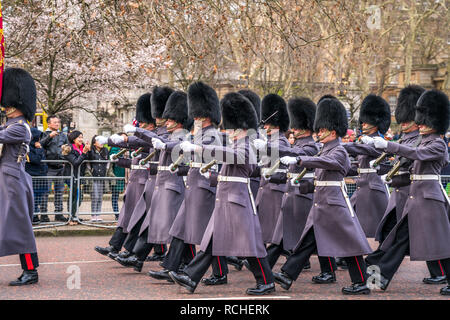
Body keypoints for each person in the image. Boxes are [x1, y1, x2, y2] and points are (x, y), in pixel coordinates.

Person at [169, 92, 276, 296]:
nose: (229, 131)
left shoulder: (247, 146)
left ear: (242, 127)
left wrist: (200, 148)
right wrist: (210, 176)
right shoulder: (236, 144)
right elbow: (227, 172)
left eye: (232, 127)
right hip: (226, 199)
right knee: (211, 240)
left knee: (250, 245)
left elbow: (236, 157)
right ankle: (191, 278)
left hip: (238, 201)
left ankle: (267, 281)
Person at [274, 97, 373, 295]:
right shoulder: (327, 149)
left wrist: (299, 158)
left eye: (321, 130)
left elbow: (324, 162)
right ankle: (287, 274)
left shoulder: (338, 151)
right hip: (322, 203)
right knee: (307, 240)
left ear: (333, 131)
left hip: (335, 205)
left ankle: (361, 282)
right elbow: (321, 176)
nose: (318, 133)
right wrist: (303, 185)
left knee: (350, 244)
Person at [363, 89, 450, 296]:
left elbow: (415, 153)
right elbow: (410, 167)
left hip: (430, 200)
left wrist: (388, 145)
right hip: (416, 199)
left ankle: (376, 276)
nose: (420, 124)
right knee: (399, 240)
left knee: (442, 243)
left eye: (424, 121)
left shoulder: (437, 144)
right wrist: (388, 174)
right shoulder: (423, 140)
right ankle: (378, 279)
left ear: (434, 123)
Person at [148, 82, 229, 285]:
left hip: (204, 187)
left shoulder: (213, 134)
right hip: (193, 185)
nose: (194, 118)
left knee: (208, 233)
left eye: (197, 114)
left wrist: (171, 145)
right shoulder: (200, 133)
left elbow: (211, 154)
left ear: (206, 115)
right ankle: (171, 267)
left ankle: (219, 273)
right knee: (180, 228)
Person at [116, 90, 193, 272]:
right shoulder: (168, 135)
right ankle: (174, 263)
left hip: (175, 186)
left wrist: (137, 131)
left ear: (178, 120)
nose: (166, 122)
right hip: (162, 184)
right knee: (166, 225)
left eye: (170, 119)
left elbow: (160, 142)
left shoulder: (182, 137)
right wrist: (121, 141)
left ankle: (179, 264)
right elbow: (153, 141)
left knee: (179, 227)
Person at [0, 67, 40, 286]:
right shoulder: (11, 124)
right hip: (7, 178)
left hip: (13, 179)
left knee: (20, 227)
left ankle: (31, 271)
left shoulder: (19, 128)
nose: (6, 108)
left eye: (9, 105)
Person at [343, 94, 391, 238]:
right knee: (350, 222)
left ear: (375, 123)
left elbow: (364, 150)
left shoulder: (379, 141)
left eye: (366, 122)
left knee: (372, 229)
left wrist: (339, 145)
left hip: (373, 187)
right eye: (362, 122)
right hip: (361, 186)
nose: (363, 124)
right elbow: (358, 166)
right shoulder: (363, 140)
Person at [253, 94, 290, 247]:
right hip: (265, 188)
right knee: (262, 228)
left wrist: (264, 147)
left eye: (268, 124)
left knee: (276, 230)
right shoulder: (269, 141)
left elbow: (278, 150)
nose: (265, 127)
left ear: (277, 124)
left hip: (275, 189)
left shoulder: (281, 140)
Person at [40, 115, 69, 222]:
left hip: (60, 166)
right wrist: (49, 137)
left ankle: (59, 213)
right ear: (49, 124)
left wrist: (65, 155)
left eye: (58, 122)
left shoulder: (63, 135)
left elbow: (67, 147)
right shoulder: (44, 134)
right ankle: (43, 214)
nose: (57, 124)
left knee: (59, 191)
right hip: (48, 167)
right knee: (45, 191)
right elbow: (40, 145)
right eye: (55, 122)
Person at [62, 130, 90, 221]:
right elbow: (75, 162)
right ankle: (71, 216)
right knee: (74, 195)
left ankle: (74, 215)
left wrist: (88, 150)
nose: (81, 139)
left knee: (79, 196)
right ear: (73, 139)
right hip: (72, 176)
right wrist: (84, 153)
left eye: (82, 137)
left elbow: (87, 159)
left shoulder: (83, 147)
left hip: (80, 175)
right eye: (79, 137)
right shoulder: (68, 149)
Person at [25, 127, 49, 225]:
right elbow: (35, 159)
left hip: (42, 175)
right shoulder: (28, 147)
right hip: (33, 175)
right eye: (38, 137)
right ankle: (33, 215)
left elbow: (43, 158)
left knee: (40, 195)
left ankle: (34, 213)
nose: (40, 139)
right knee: (33, 196)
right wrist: (39, 149)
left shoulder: (39, 147)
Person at [87, 135, 109, 222]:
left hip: (102, 176)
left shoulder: (105, 150)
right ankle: (93, 215)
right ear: (94, 143)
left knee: (100, 196)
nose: (101, 143)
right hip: (94, 176)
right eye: (98, 141)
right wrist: (90, 172)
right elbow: (88, 162)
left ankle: (98, 214)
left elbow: (108, 162)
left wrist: (106, 171)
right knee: (94, 196)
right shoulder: (91, 151)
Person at [108, 145, 125, 220]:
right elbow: (113, 156)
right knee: (115, 196)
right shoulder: (114, 148)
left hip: (127, 177)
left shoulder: (129, 147)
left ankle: (125, 214)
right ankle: (117, 214)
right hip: (116, 177)